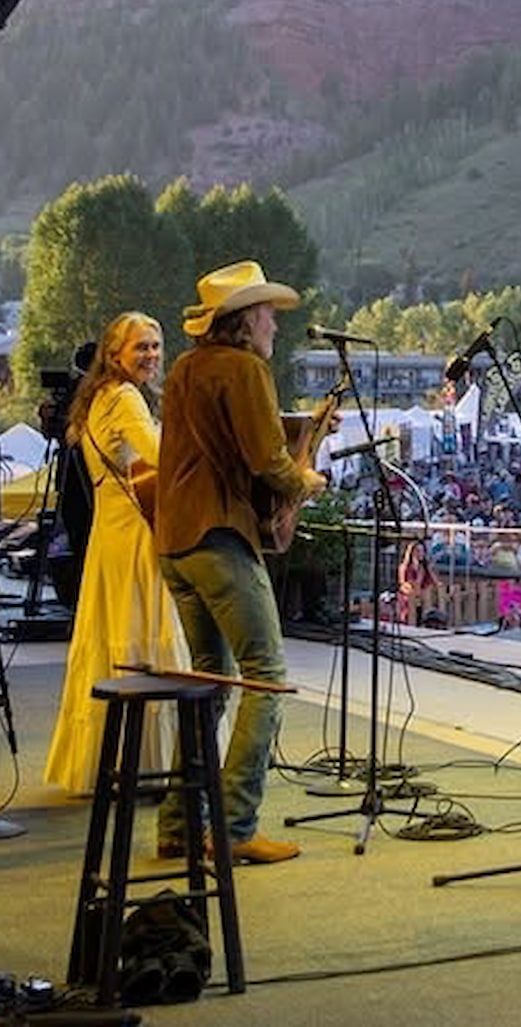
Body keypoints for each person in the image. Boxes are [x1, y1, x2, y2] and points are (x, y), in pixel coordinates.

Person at [153, 261, 322, 867]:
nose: (275, 323)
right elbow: (265, 459)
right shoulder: (245, 368)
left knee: (209, 679)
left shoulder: (186, 366)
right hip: (219, 537)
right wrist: (305, 481)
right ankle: (236, 826)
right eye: (269, 312)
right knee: (264, 677)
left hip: (175, 540)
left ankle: (179, 826)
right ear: (246, 319)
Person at [43, 312, 191, 795]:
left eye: (155, 345)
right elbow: (161, 456)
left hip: (110, 535)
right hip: (135, 537)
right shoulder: (125, 397)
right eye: (140, 347)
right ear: (114, 354)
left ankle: (109, 762)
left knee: (113, 640)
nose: (151, 355)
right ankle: (153, 763)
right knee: (146, 638)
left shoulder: (100, 397)